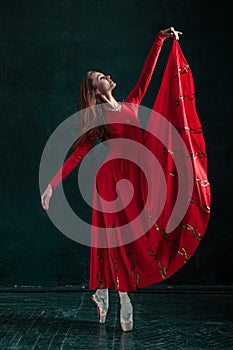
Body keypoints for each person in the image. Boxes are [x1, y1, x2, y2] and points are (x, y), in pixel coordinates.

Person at [41, 27, 183, 332]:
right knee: (117, 240)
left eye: (104, 74)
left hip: (136, 181)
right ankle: (124, 298)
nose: (107, 76)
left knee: (130, 239)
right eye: (100, 77)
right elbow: (79, 154)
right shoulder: (98, 118)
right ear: (94, 90)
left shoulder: (131, 102)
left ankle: (102, 290)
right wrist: (52, 185)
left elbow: (148, 73)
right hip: (109, 185)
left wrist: (161, 38)